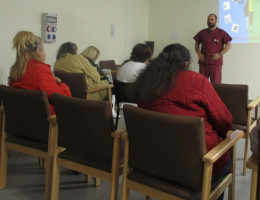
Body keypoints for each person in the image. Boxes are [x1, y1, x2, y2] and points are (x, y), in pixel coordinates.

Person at [132, 43, 232, 200]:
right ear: (186, 63)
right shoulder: (197, 81)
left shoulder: (145, 82)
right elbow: (225, 120)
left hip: (153, 160)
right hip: (195, 166)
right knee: (228, 153)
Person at [9, 31, 71, 114]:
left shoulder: (15, 70)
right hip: (48, 121)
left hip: (22, 118)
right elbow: (64, 99)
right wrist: (60, 83)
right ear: (38, 51)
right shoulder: (40, 70)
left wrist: (51, 80)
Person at [193, 14, 232, 83]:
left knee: (216, 85)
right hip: (204, 63)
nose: (209, 21)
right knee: (202, 83)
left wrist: (220, 54)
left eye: (212, 19)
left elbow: (228, 45)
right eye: (208, 19)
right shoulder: (203, 32)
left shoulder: (221, 33)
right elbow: (196, 44)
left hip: (216, 64)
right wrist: (199, 54)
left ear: (216, 21)